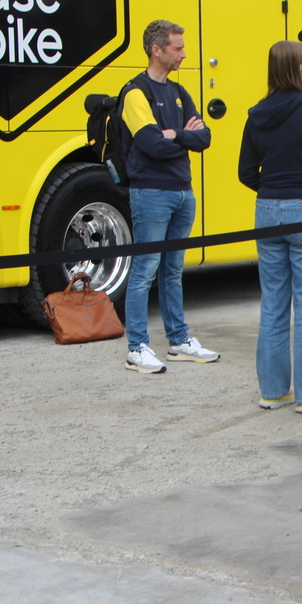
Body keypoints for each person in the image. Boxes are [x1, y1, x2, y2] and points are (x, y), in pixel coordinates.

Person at [238, 41, 302, 413]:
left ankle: (273, 391)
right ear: (301, 68)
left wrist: (273, 192)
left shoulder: (256, 115)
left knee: (273, 305)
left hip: (266, 211)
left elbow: (245, 172)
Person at [122, 20, 217, 373]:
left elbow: (204, 138)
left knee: (173, 270)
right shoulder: (135, 93)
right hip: (151, 192)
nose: (184, 54)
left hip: (182, 192)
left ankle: (178, 341)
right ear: (156, 50)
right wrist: (182, 135)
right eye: (177, 48)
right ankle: (136, 347)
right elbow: (151, 144)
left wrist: (173, 134)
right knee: (145, 270)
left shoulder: (179, 91)